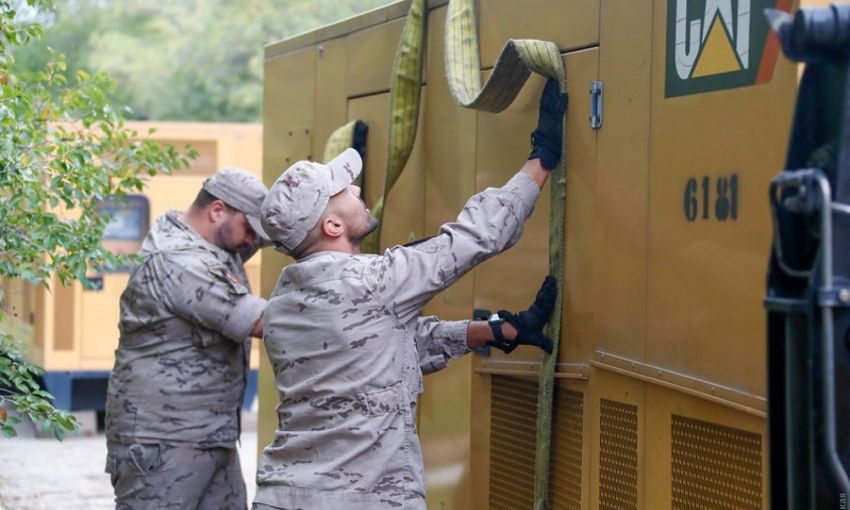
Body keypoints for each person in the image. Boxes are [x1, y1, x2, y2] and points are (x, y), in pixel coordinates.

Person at [253, 78, 567, 510]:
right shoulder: (374, 282)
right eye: (344, 190)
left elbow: (384, 350)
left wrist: (493, 330)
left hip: (284, 495)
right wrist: (541, 159)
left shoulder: (283, 305)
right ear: (332, 226)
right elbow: (476, 236)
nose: (358, 190)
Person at [104, 167, 270, 510]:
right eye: (249, 229)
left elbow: (279, 235)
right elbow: (261, 322)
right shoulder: (179, 260)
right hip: (163, 443)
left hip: (209, 435)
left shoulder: (213, 244)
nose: (252, 241)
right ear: (217, 210)